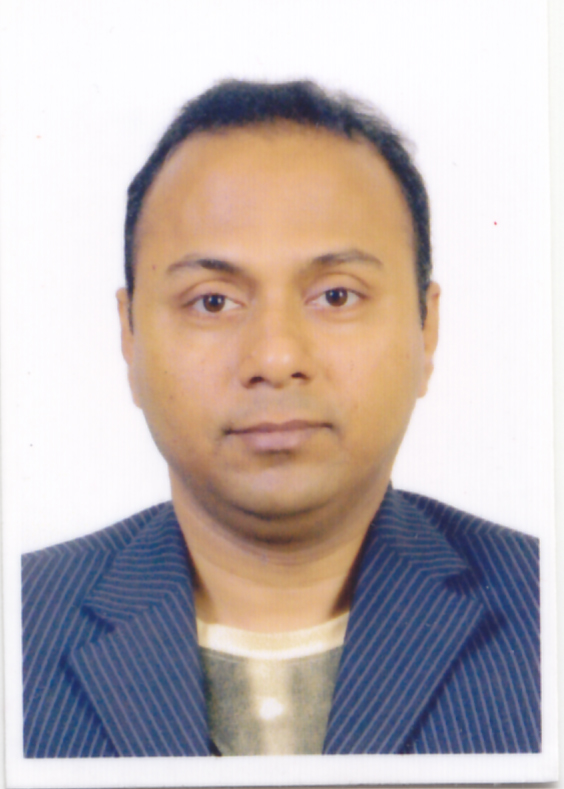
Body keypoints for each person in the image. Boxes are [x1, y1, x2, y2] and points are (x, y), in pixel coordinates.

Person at [22, 80, 540, 758]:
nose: (275, 358)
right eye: (213, 301)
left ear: (427, 328)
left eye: (336, 295)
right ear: (129, 335)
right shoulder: (20, 623)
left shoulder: (544, 609)